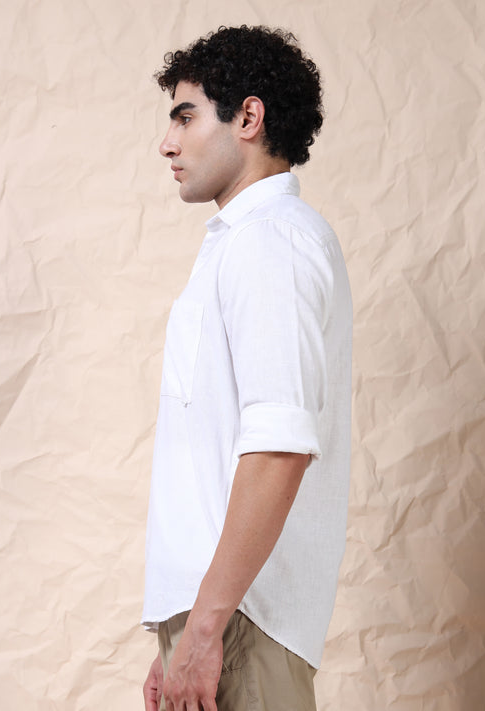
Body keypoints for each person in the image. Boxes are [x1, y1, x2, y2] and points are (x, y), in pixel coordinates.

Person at [142, 25, 352, 711]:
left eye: (185, 116)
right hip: (223, 621)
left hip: (242, 625)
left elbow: (278, 448)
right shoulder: (241, 243)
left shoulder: (271, 242)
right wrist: (177, 631)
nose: (167, 143)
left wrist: (204, 629)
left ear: (248, 117)